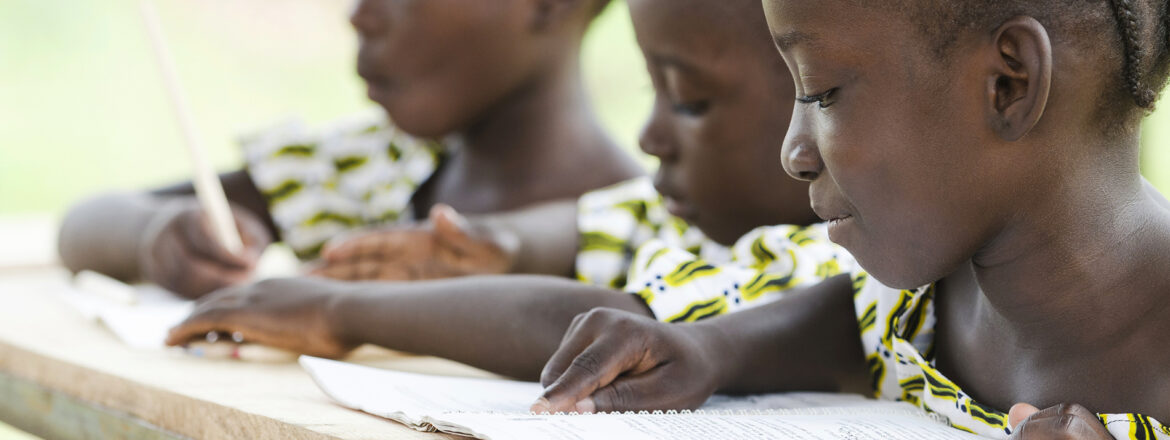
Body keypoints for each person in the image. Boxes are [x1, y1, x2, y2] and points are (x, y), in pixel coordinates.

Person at [532, 1, 1170, 439]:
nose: (794, 153)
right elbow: (852, 323)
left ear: (1009, 82)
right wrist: (713, 349)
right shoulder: (927, 304)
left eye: (821, 93)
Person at [164, 0, 849, 380]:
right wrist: (502, 246)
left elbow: (616, 330)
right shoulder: (693, 216)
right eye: (652, 92)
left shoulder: (842, 263)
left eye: (691, 102)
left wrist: (341, 311)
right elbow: (593, 222)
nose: (649, 137)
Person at [56, 0, 642, 299]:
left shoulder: (653, 235)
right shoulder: (365, 171)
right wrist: (157, 239)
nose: (359, 15)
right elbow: (85, 223)